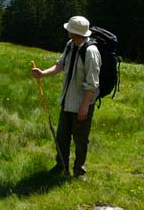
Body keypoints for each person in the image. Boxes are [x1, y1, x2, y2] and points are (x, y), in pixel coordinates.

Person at [31, 16, 101, 179]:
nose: (67, 31)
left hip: (82, 104)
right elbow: (60, 64)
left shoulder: (91, 52)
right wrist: (43, 73)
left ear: (74, 32)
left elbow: (92, 83)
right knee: (62, 136)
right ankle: (61, 165)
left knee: (80, 139)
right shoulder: (70, 45)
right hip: (67, 101)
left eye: (69, 29)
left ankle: (79, 171)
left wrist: (84, 106)